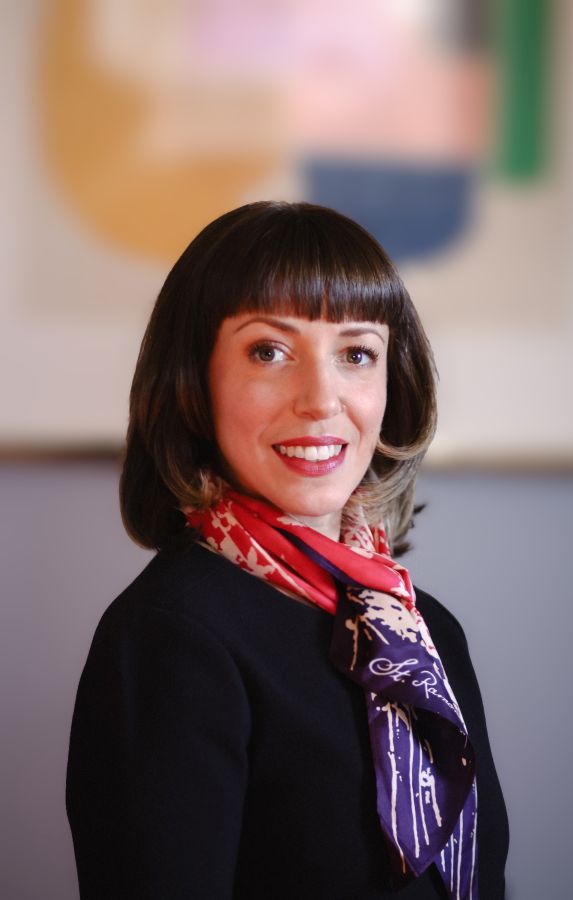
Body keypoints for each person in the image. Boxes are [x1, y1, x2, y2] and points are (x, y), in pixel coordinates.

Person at [66, 201, 508, 899]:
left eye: (356, 353)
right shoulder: (169, 637)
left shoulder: (427, 633)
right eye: (269, 351)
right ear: (193, 383)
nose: (320, 398)